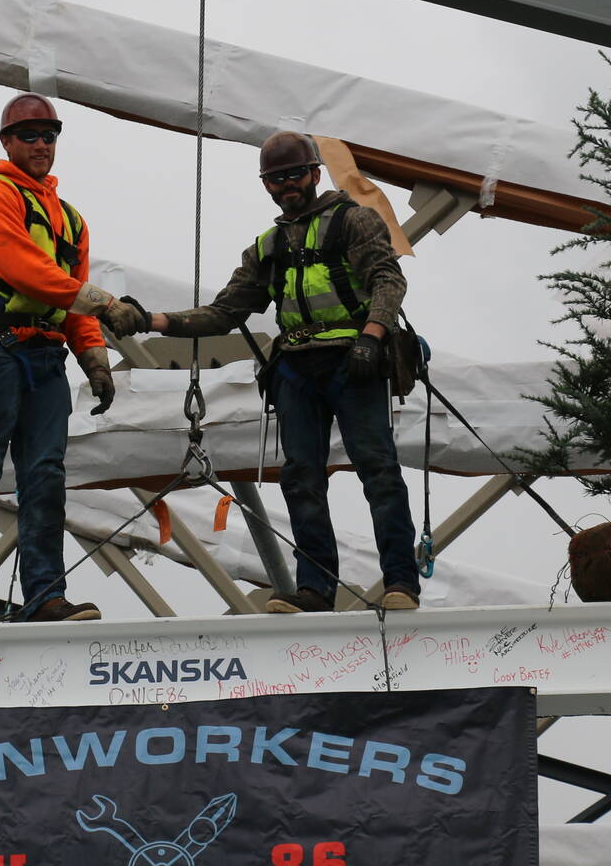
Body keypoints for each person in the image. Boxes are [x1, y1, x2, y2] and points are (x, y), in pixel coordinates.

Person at [117, 130, 421, 613]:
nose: (287, 185)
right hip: (298, 367)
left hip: (353, 362)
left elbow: (388, 278)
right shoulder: (268, 247)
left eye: (295, 174)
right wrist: (148, 321)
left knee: (377, 470)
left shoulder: (353, 221)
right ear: (266, 185)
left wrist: (372, 337)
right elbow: (223, 313)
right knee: (301, 478)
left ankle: (401, 583)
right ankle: (315, 590)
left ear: (315, 174)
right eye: (276, 179)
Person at [0, 93, 145, 625]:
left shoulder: (69, 219)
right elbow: (23, 268)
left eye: (50, 135)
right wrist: (105, 304)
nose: (42, 144)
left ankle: (46, 596)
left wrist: (92, 355)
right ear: (7, 143)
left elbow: (67, 295)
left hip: (45, 359)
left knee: (44, 477)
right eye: (30, 135)